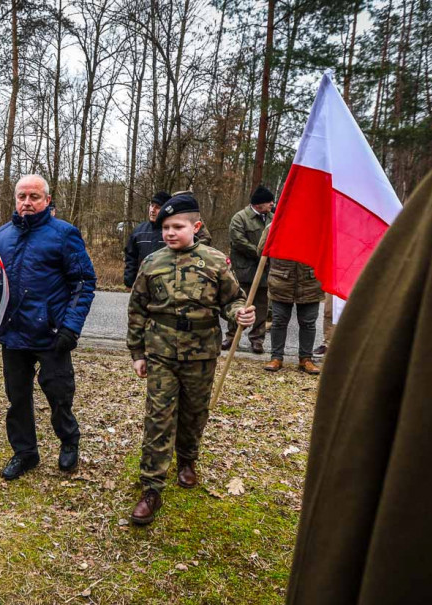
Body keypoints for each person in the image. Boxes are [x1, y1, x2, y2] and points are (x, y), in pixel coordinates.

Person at [271, 147, 432, 605]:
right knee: (283, 326)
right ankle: (281, 355)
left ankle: (302, 356)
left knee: (307, 330)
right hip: (280, 287)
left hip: (307, 288)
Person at [126, 194, 255, 525]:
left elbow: (232, 300)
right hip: (161, 353)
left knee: (195, 411)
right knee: (158, 417)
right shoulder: (152, 263)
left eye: (178, 226)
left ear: (196, 227)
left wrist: (239, 313)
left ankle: (187, 460)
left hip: (201, 353)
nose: (170, 232)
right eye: (165, 227)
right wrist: (137, 353)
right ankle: (151, 487)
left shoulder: (214, 262)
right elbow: (137, 308)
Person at [0, 174, 96, 481]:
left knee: (59, 393)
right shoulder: (2, 235)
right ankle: (25, 453)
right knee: (17, 397)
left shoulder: (64, 234)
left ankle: (68, 441)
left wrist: (71, 327)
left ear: (47, 201)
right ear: (15, 199)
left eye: (34, 197)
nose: (27, 202)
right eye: (21, 196)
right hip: (13, 332)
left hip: (51, 334)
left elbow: (83, 282)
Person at [258, 224, 322, 374]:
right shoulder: (274, 226)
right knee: (279, 321)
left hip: (310, 281)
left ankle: (306, 359)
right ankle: (276, 357)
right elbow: (262, 251)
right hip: (281, 281)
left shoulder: (317, 226)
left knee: (308, 323)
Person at [223, 186, 273, 353]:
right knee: (239, 304)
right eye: (269, 201)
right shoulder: (240, 218)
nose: (272, 204)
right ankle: (231, 337)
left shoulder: (273, 218)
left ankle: (257, 340)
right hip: (244, 270)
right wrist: (261, 253)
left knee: (261, 306)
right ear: (258, 204)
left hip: (265, 272)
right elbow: (238, 241)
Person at [123, 190, 171, 288]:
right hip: (142, 286)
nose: (152, 210)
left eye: (157, 207)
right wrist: (130, 281)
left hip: (167, 286)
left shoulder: (172, 232)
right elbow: (131, 257)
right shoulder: (139, 230)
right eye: (151, 205)